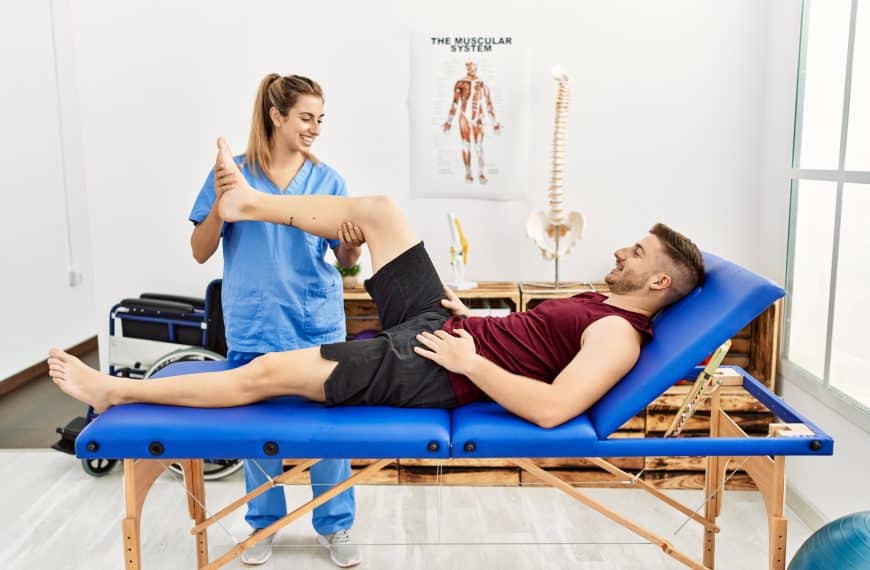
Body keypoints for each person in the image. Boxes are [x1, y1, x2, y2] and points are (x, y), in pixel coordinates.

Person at [50, 137, 704, 431]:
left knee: (271, 370)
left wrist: (471, 362)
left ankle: (114, 391)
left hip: (438, 367)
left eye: (637, 250)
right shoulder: (600, 299)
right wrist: (473, 317)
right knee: (381, 210)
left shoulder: (620, 334)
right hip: (449, 329)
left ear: (655, 279)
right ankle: (247, 204)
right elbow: (531, 338)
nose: (621, 248)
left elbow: (553, 408)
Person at [187, 75, 361, 567]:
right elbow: (200, 251)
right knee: (258, 435)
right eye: (306, 117)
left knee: (329, 434)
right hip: (254, 323)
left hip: (316, 322)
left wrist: (352, 243)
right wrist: (224, 206)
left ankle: (337, 525)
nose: (315, 128)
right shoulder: (231, 173)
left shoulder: (329, 182)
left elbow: (345, 264)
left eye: (320, 119)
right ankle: (263, 525)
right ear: (277, 116)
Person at [442, 60, 502, 184]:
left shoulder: (482, 83)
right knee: (466, 146)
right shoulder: (460, 83)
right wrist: (449, 120)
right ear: (466, 68)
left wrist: (494, 122)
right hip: (464, 117)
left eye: (474, 67)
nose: (472, 70)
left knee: (479, 146)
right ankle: (468, 173)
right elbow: (454, 102)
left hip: (478, 117)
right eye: (469, 68)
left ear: (476, 68)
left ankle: (480, 173)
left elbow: (488, 103)